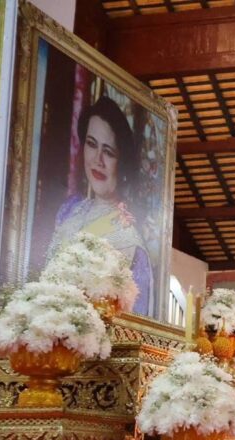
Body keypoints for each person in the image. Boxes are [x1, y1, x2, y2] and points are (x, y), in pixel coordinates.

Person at [50, 95, 153, 315]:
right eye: (91, 144)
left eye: (108, 152)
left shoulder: (132, 244)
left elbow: (134, 321)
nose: (98, 160)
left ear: (122, 163)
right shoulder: (69, 209)